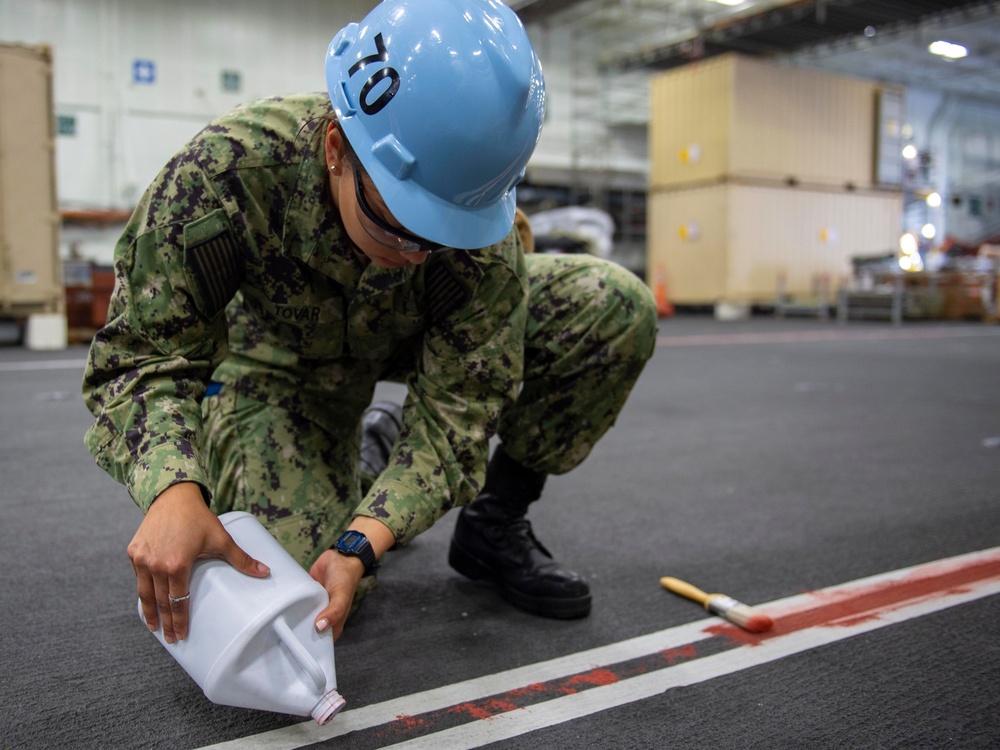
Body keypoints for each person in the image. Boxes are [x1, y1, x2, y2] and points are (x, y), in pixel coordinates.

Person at [82, 0, 657, 646]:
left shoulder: (474, 220)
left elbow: (460, 409)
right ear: (336, 150)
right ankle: (365, 452)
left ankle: (494, 525)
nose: (415, 252)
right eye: (398, 224)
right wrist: (172, 488)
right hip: (283, 366)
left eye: (441, 236)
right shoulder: (227, 176)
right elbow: (140, 355)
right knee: (299, 590)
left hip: (416, 337)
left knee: (612, 306)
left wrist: (364, 540)